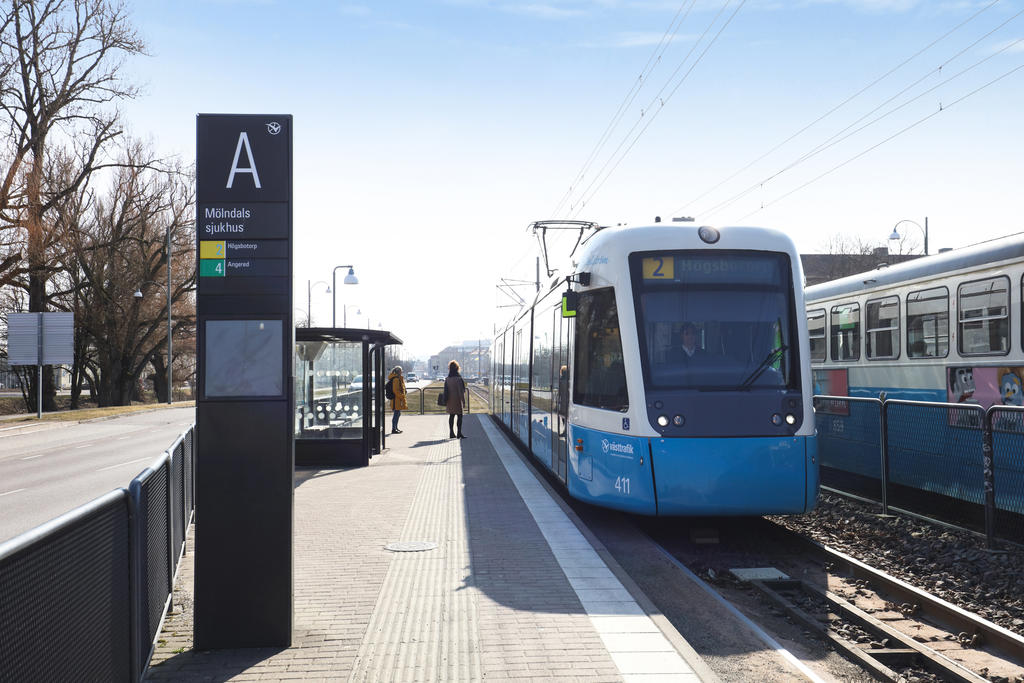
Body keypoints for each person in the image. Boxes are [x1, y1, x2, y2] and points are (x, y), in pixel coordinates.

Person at [444, 360, 468, 439]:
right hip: (457, 400)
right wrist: (463, 402)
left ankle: (451, 433)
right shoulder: (458, 379)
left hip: (449, 400)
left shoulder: (447, 379)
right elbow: (461, 392)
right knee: (460, 416)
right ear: (457, 368)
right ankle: (459, 433)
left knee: (451, 416)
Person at [387, 366, 407, 434]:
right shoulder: (396, 379)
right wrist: (402, 396)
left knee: (398, 414)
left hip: (398, 399)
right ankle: (393, 428)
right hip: (396, 400)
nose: (402, 372)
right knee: (396, 414)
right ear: (398, 372)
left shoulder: (399, 378)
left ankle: (396, 427)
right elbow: (395, 390)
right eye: (401, 371)